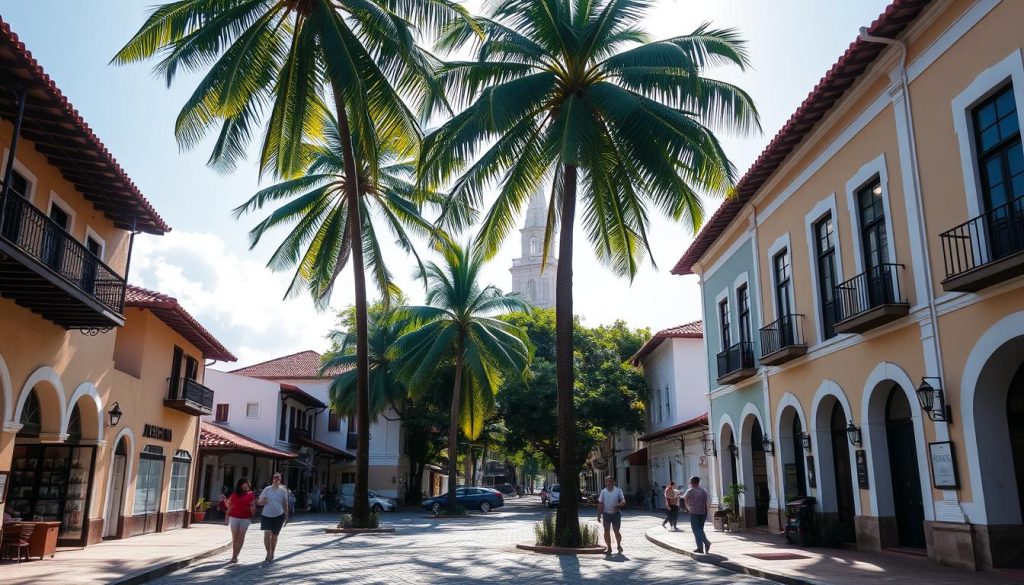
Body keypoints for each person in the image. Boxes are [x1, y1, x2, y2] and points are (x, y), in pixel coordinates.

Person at [257, 472, 289, 562]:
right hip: (266, 515)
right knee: (267, 534)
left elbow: (285, 504)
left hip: (278, 516)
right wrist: (263, 501)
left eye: (278, 478)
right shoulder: (267, 489)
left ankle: (272, 552)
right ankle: (268, 553)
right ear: (272, 479)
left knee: (274, 536)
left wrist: (286, 516)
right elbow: (259, 502)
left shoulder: (283, 491)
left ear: (280, 480)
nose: (276, 480)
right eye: (275, 478)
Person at [225, 477, 256, 563]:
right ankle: (234, 555)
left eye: (247, 483)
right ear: (240, 485)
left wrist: (253, 508)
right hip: (234, 517)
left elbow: (253, 506)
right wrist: (227, 504)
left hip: (245, 518)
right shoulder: (234, 494)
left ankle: (236, 555)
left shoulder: (251, 494)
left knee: (241, 536)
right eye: (244, 483)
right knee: (235, 536)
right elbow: (229, 505)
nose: (246, 485)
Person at [682, 476, 712, 554]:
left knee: (696, 530)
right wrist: (707, 512)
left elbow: (684, 499)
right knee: (700, 530)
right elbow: (707, 502)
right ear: (698, 482)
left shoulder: (690, 491)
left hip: (694, 513)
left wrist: (688, 508)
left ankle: (706, 542)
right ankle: (700, 548)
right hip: (703, 512)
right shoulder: (704, 491)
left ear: (692, 482)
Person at [596, 476, 625, 555]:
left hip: (616, 514)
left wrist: (619, 504)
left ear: (613, 482)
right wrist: (598, 516)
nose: (609, 483)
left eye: (611, 481)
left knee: (616, 531)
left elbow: (623, 501)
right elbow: (600, 504)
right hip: (606, 514)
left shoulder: (618, 490)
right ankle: (609, 548)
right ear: (605, 483)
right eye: (607, 481)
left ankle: (619, 545)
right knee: (606, 531)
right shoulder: (603, 492)